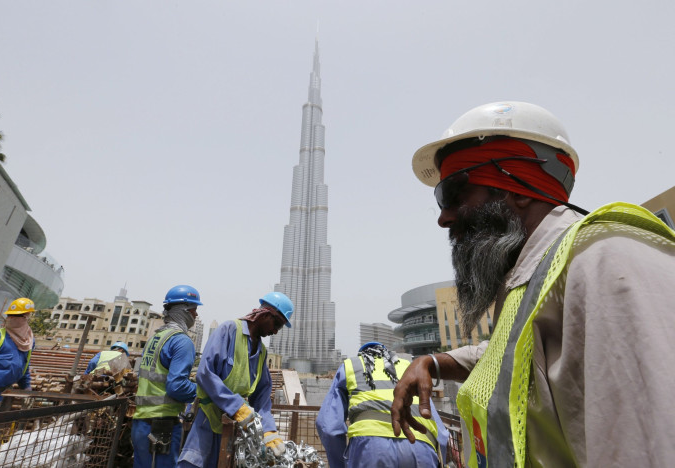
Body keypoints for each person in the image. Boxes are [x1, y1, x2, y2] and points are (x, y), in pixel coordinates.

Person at [390, 101, 675, 466]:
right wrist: (432, 361)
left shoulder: (604, 261)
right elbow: (506, 357)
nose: (443, 218)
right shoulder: (537, 277)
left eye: (454, 195)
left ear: (519, 188)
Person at [177, 291, 294, 468]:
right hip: (209, 420)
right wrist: (236, 406)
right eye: (276, 323)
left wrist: (269, 430)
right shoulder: (228, 330)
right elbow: (205, 373)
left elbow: (262, 396)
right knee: (194, 464)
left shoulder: (261, 351)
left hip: (236, 427)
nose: (275, 331)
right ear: (264, 314)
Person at [316, 342, 448, 468]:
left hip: (370, 447)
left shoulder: (350, 366)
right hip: (420, 444)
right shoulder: (410, 367)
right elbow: (440, 431)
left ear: (361, 355)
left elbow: (328, 427)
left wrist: (341, 463)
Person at [132, 285, 201, 468]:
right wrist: (202, 390)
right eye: (194, 310)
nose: (196, 315)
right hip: (162, 426)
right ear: (183, 311)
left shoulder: (156, 338)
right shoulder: (182, 341)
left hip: (140, 423)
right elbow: (176, 386)